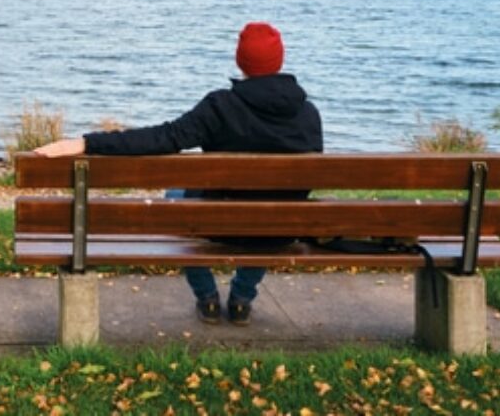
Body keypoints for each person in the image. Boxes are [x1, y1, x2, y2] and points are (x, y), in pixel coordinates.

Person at [33, 21, 323, 326]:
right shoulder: (308, 114)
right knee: (270, 210)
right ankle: (241, 299)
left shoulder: (220, 106)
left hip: (221, 224)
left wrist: (86, 142)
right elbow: (306, 181)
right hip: (279, 229)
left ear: (241, 61)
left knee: (175, 201)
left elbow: (164, 137)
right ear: (279, 61)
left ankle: (207, 298)